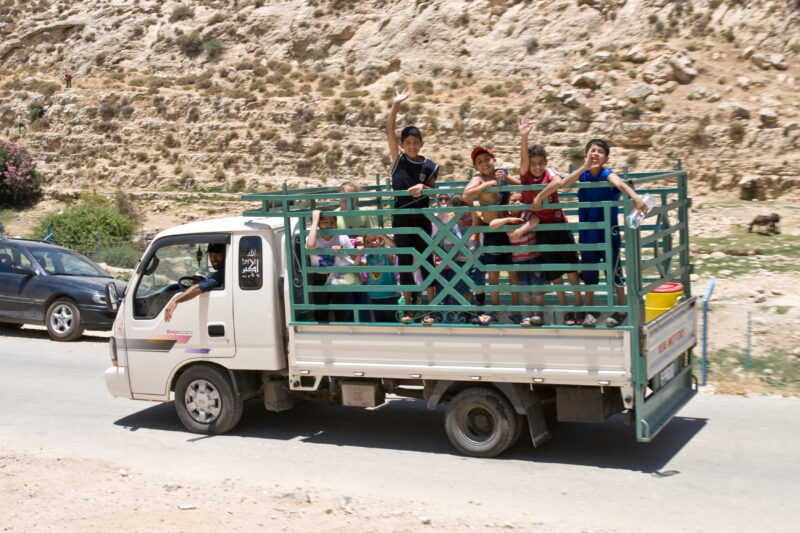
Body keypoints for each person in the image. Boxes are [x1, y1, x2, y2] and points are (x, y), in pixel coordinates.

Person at [560, 139, 647, 328]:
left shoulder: (607, 174)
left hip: (609, 234)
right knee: (589, 275)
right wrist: (582, 168)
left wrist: (635, 196)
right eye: (592, 150)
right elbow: (563, 185)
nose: (595, 154)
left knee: (615, 273)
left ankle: (621, 309)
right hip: (587, 236)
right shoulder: (582, 176)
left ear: (606, 158)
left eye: (600, 151)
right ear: (585, 155)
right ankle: (591, 311)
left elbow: (620, 184)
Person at [517, 116, 584, 325]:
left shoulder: (549, 172)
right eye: (533, 163)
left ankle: (579, 308)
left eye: (540, 163)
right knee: (555, 272)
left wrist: (539, 196)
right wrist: (524, 138)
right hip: (542, 230)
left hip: (559, 225)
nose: (537, 167)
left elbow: (558, 182)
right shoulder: (525, 176)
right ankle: (566, 311)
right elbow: (523, 161)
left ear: (545, 162)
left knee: (572, 268)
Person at [386, 88, 439, 324]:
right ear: (402, 144)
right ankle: (408, 308)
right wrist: (396, 104)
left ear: (421, 143)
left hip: (421, 214)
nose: (412, 146)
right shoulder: (398, 159)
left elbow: (433, 190)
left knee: (427, 260)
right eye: (408, 142)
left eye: (416, 142)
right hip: (400, 214)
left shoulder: (429, 165)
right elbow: (388, 129)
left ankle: (431, 308)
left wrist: (422, 189)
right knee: (405, 262)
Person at [463, 146, 519, 324]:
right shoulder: (478, 178)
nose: (484, 163)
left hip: (509, 228)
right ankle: (495, 313)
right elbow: (466, 195)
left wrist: (506, 178)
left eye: (487, 159)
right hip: (491, 231)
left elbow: (524, 187)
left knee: (513, 274)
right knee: (493, 275)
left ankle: (516, 311)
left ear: (494, 160)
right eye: (479, 161)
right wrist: (487, 184)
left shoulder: (503, 173)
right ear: (476, 166)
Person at [490, 191, 544, 325]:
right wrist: (508, 219)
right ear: (507, 204)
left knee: (537, 289)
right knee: (525, 290)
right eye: (513, 201)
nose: (518, 203)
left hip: (533, 258)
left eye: (520, 200)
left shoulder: (526, 214)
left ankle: (540, 315)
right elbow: (492, 224)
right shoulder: (507, 218)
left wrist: (521, 230)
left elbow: (536, 220)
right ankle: (529, 316)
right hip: (518, 260)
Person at [306, 209, 362, 322]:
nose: (328, 225)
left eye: (332, 222)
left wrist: (342, 252)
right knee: (321, 311)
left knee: (340, 310)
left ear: (336, 224)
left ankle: (341, 335)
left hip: (339, 277)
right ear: (318, 224)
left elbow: (354, 257)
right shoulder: (314, 236)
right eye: (324, 222)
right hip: (320, 277)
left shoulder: (341, 237)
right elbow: (311, 245)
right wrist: (315, 221)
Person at [164, 243, 226, 322]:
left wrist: (175, 300)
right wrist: (203, 280)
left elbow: (198, 288)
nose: (213, 258)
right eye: (211, 254)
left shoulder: (223, 273)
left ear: (225, 253)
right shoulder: (223, 271)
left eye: (217, 254)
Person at [362, 233, 399, 322]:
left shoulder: (386, 254)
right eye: (367, 242)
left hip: (389, 296)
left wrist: (383, 235)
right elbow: (357, 265)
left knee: (392, 324)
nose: (371, 244)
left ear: (381, 241)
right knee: (380, 324)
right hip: (374, 297)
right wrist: (360, 251)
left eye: (374, 240)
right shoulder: (368, 258)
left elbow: (395, 248)